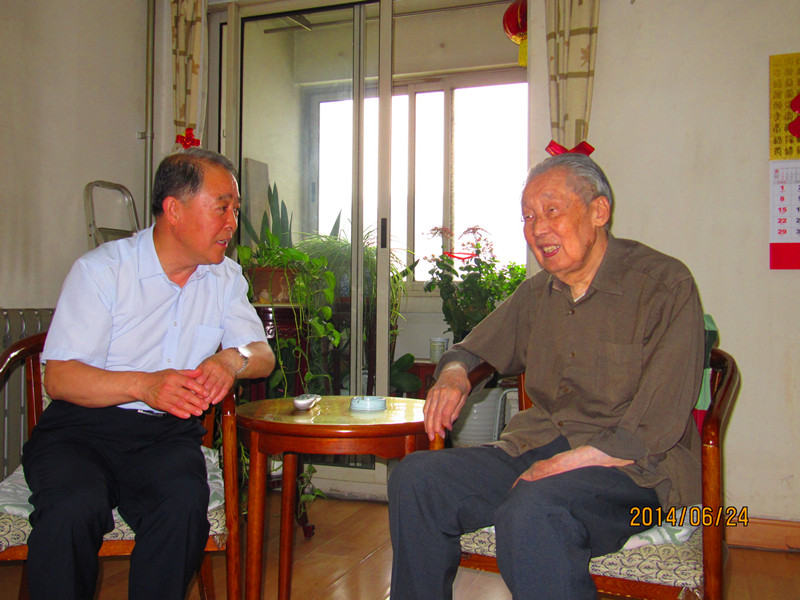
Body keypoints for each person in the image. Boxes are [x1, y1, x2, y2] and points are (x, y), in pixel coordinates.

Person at [388, 153, 704, 600]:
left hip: (636, 473)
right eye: (528, 216)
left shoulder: (663, 285)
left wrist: (564, 465)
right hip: (537, 446)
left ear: (599, 211)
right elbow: (472, 348)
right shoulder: (537, 293)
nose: (537, 229)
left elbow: (657, 422)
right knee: (416, 478)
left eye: (552, 210)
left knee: (534, 508)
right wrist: (454, 374)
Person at [22, 148, 275, 600]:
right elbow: (59, 378)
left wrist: (229, 360)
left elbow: (262, 355)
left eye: (236, 210)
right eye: (222, 208)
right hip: (81, 431)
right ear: (174, 210)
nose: (232, 223)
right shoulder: (102, 272)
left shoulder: (224, 278)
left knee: (183, 505)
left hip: (164, 437)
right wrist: (144, 384)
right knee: (71, 509)